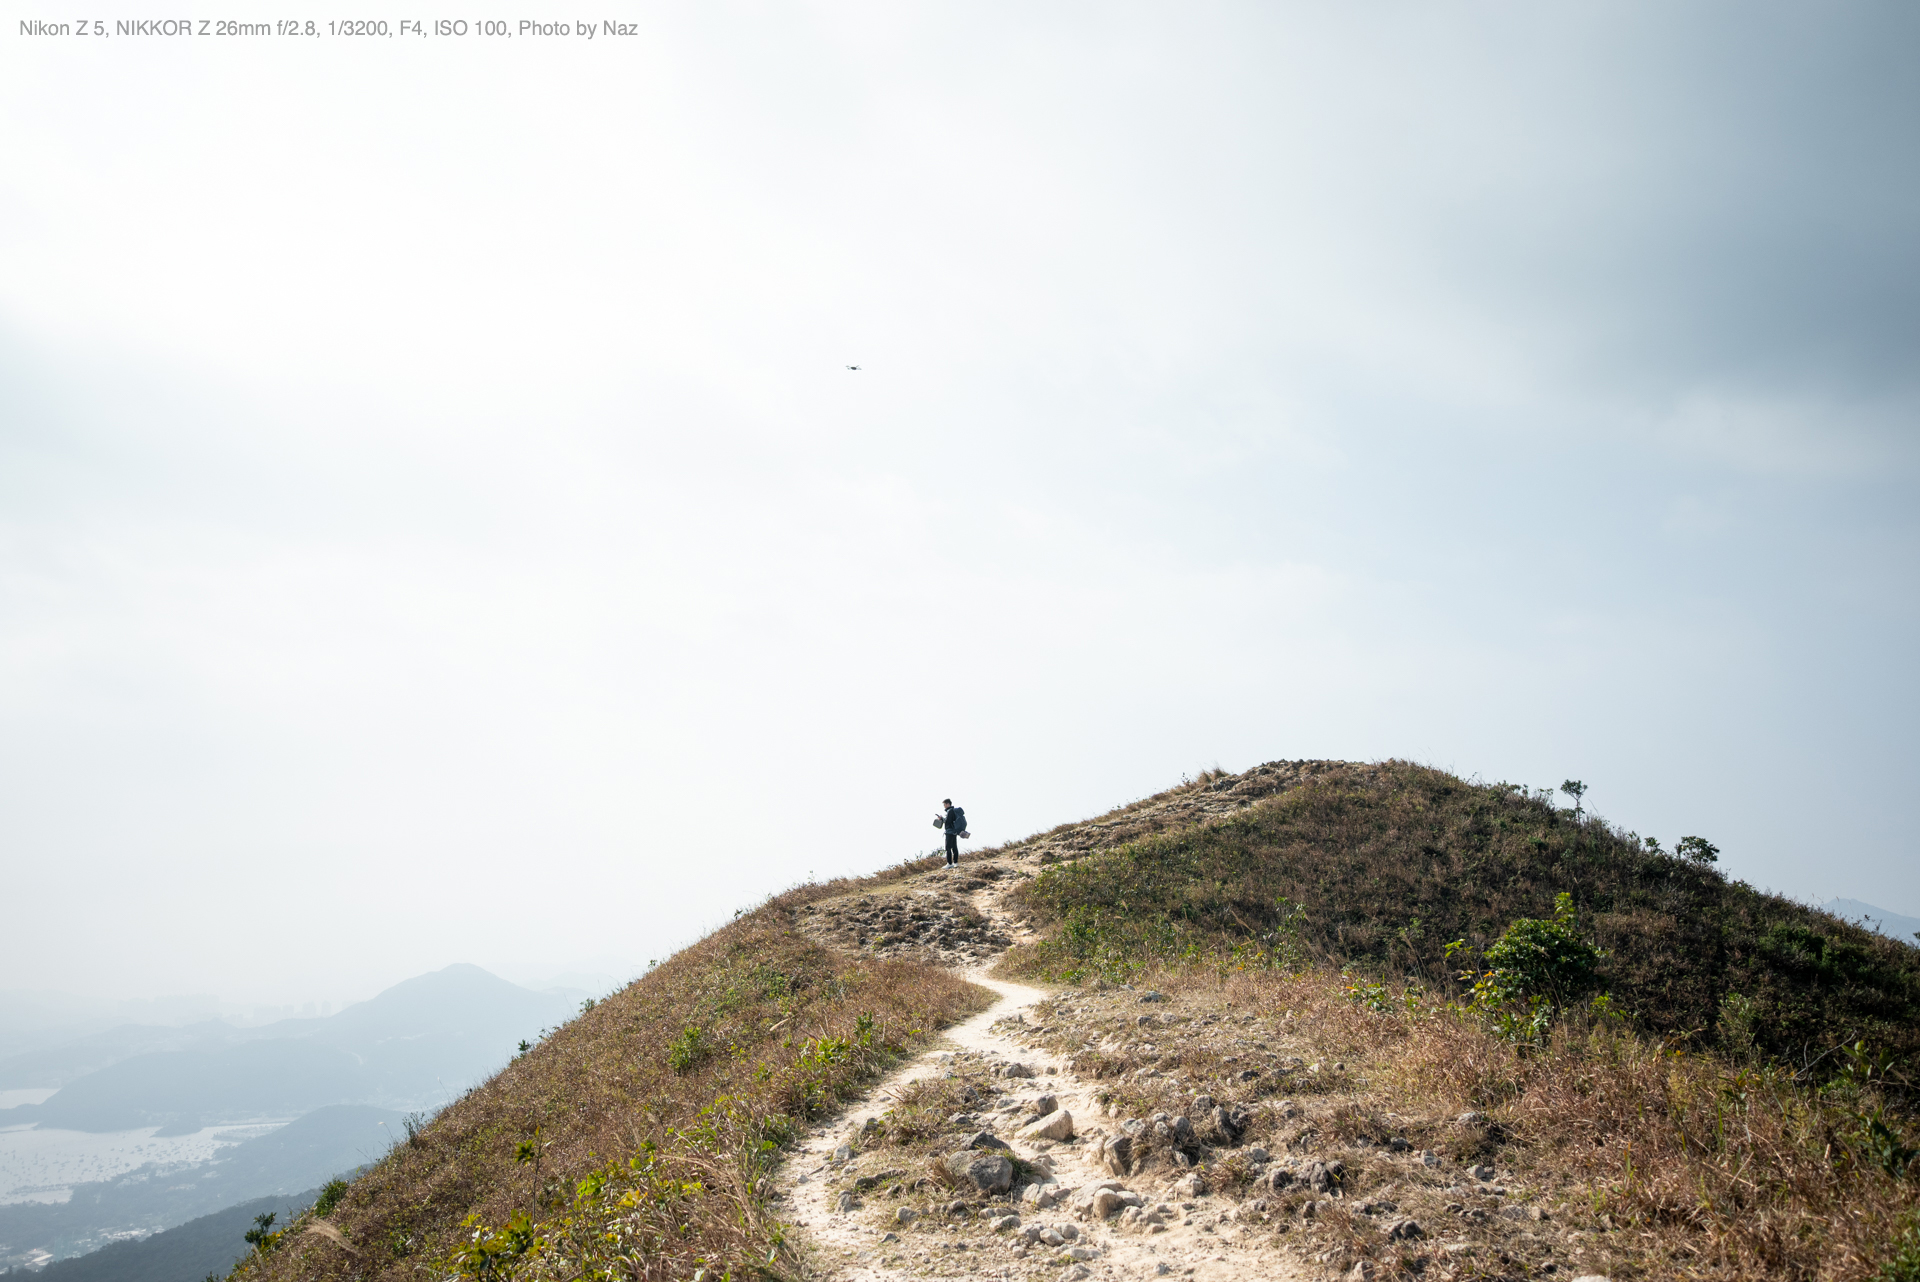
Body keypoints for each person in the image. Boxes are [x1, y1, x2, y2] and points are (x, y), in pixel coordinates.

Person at [935, 798, 967, 867]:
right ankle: (955, 862)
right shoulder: (954, 811)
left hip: (949, 832)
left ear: (947, 804)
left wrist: (941, 819)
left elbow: (948, 822)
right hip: (954, 832)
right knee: (954, 847)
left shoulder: (950, 811)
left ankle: (949, 863)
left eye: (944, 804)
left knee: (948, 848)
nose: (944, 806)